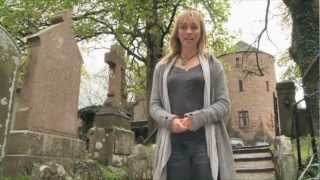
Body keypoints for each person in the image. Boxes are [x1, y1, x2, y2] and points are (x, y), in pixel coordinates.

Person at [149, 8, 236, 180]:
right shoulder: (162, 67)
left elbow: (224, 103)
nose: (188, 31)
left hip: (205, 143)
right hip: (172, 145)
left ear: (201, 32)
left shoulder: (213, 65)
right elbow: (154, 104)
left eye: (194, 27)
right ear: (177, 32)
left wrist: (197, 118)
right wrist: (169, 120)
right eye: (183, 27)